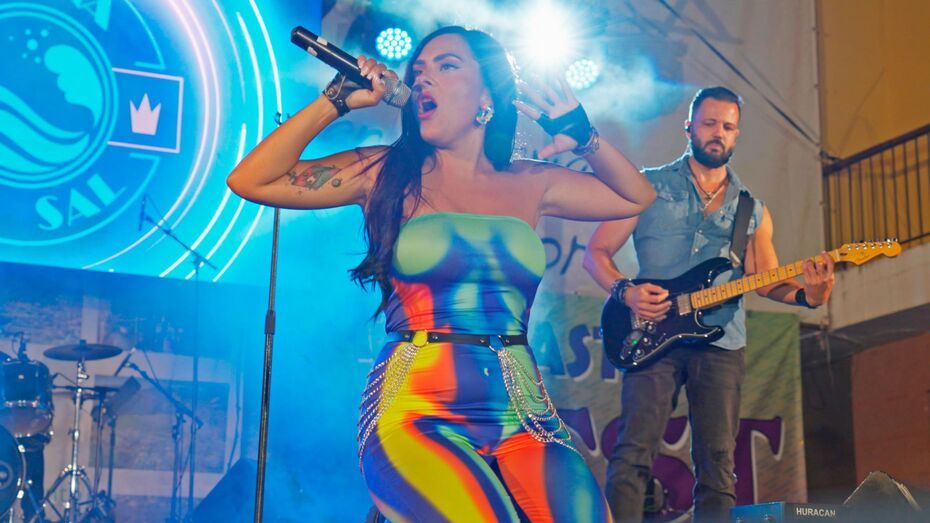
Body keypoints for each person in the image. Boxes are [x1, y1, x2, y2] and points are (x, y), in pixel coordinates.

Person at [228, 25, 656, 522]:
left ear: (487, 97)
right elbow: (250, 179)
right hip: (417, 410)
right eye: (419, 71)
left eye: (447, 66)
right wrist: (336, 101)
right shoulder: (383, 171)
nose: (424, 79)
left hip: (525, 413)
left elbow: (636, 197)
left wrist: (585, 138)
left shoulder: (531, 180)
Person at [583, 87, 836, 522]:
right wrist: (627, 292)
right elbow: (596, 253)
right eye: (709, 123)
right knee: (633, 453)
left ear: (737, 135)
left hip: (721, 344)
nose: (718, 132)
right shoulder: (647, 187)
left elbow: (766, 281)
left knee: (717, 466)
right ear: (690, 128)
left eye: (728, 126)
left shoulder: (751, 210)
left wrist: (809, 296)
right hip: (651, 333)